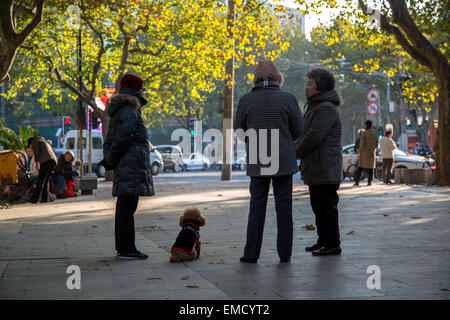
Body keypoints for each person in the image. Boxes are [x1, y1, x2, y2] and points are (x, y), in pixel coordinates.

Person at [234, 60, 304, 263]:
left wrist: (253, 141)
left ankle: (251, 254)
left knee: (256, 205)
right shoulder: (288, 99)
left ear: (255, 79)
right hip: (283, 159)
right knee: (284, 206)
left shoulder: (246, 100)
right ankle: (285, 254)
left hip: (258, 158)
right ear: (277, 77)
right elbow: (299, 128)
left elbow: (239, 129)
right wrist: (285, 139)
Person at [102, 73, 155, 260]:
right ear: (134, 90)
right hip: (131, 164)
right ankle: (127, 249)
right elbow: (122, 139)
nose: (143, 91)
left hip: (127, 164)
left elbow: (113, 139)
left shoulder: (124, 109)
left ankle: (124, 248)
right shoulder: (129, 110)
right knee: (127, 208)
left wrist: (111, 158)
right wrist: (112, 158)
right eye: (141, 88)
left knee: (124, 207)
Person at [296, 67, 343, 256]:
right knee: (318, 206)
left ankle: (332, 244)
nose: (306, 88)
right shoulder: (314, 106)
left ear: (320, 87)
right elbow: (304, 134)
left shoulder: (325, 108)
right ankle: (323, 240)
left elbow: (314, 136)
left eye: (310, 84)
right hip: (316, 167)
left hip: (325, 167)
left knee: (327, 207)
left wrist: (296, 151)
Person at [28, 136, 58, 203]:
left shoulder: (35, 141)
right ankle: (44, 199)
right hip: (53, 161)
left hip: (46, 162)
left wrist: (36, 163)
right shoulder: (43, 141)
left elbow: (36, 152)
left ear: (31, 143)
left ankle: (34, 199)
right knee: (45, 180)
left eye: (30, 146)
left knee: (40, 180)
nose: (31, 147)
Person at [354, 120, 378, 186]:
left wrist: (359, 150)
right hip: (372, 153)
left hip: (364, 154)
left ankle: (357, 182)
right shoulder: (375, 134)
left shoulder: (364, 134)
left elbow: (362, 145)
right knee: (371, 168)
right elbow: (376, 145)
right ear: (371, 126)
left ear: (366, 125)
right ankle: (369, 182)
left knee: (360, 168)